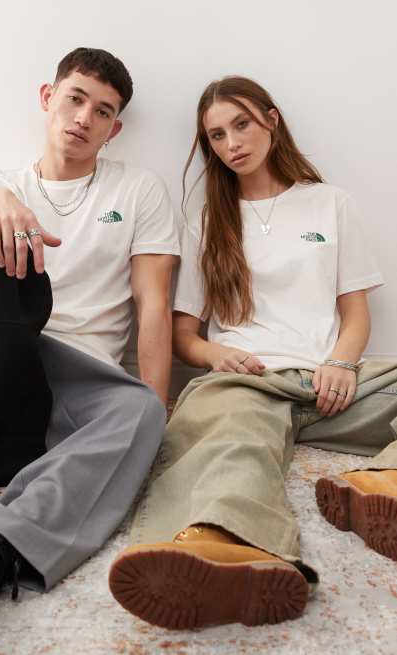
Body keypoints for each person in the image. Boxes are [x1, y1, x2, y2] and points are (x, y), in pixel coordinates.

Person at [0, 47, 180, 634]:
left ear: (114, 128)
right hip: (0, 350)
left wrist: (157, 417)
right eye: (75, 99)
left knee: (145, 409)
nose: (84, 118)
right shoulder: (4, 183)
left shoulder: (138, 190)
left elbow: (153, 305)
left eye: (102, 111)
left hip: (78, 374)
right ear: (49, 98)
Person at [108, 75, 397, 630]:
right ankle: (224, 544)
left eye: (240, 124)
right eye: (216, 135)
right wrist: (216, 356)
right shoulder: (205, 220)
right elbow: (184, 334)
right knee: (232, 445)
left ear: (271, 120)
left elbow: (356, 314)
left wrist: (340, 363)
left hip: (331, 384)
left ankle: (381, 488)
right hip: (249, 382)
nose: (231, 143)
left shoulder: (329, 203)